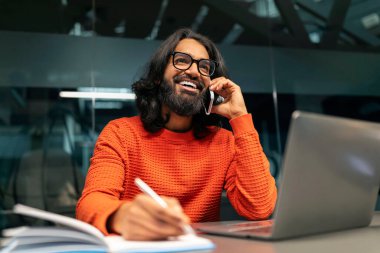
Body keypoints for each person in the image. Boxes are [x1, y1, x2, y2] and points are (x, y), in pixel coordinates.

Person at [76, 28, 277, 241]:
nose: (194, 72)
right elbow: (91, 202)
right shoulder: (121, 133)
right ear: (157, 77)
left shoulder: (223, 142)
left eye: (205, 67)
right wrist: (121, 216)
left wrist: (240, 117)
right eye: (182, 60)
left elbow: (259, 208)